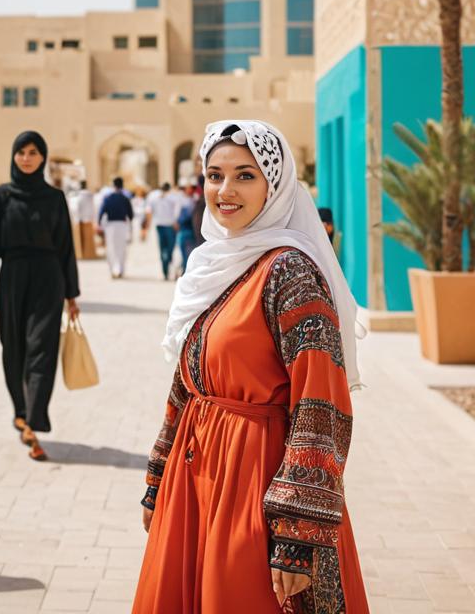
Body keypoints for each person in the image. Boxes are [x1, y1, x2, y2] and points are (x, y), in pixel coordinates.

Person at [132, 120, 368, 614]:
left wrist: (297, 536)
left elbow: (321, 404)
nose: (225, 190)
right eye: (214, 175)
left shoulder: (292, 273)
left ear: (274, 183)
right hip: (195, 478)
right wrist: (158, 478)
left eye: (245, 175)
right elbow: (187, 383)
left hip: (255, 483)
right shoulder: (212, 264)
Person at [0, 131, 80, 462]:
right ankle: (20, 411)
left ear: (43, 158)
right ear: (14, 156)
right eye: (21, 152)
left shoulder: (55, 198)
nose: (27, 158)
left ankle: (33, 419)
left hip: (49, 280)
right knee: (14, 348)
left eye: (33, 152)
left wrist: (71, 294)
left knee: (42, 349)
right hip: (12, 279)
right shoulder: (1, 197)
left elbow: (65, 249)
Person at [98, 177, 133, 279]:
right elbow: (130, 214)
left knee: (111, 248)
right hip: (122, 225)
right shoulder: (125, 198)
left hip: (111, 225)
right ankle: (120, 270)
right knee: (121, 249)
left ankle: (113, 269)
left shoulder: (107, 198)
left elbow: (101, 212)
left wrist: (99, 223)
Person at [146, 183, 179, 281]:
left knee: (162, 248)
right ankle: (167, 265)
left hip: (159, 225)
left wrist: (148, 224)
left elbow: (149, 211)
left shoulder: (153, 197)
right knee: (170, 248)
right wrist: (176, 222)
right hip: (170, 225)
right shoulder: (173, 197)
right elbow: (177, 211)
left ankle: (165, 270)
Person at [174, 186, 197, 274]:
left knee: (187, 253)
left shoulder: (194, 200)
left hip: (189, 231)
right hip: (184, 230)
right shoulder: (183, 200)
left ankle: (185, 271)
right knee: (183, 253)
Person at [74, 182, 100, 260]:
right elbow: (94, 208)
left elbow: (76, 208)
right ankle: (89, 254)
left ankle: (81, 254)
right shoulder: (90, 195)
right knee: (88, 239)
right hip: (89, 219)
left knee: (81, 239)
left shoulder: (77, 196)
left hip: (79, 219)